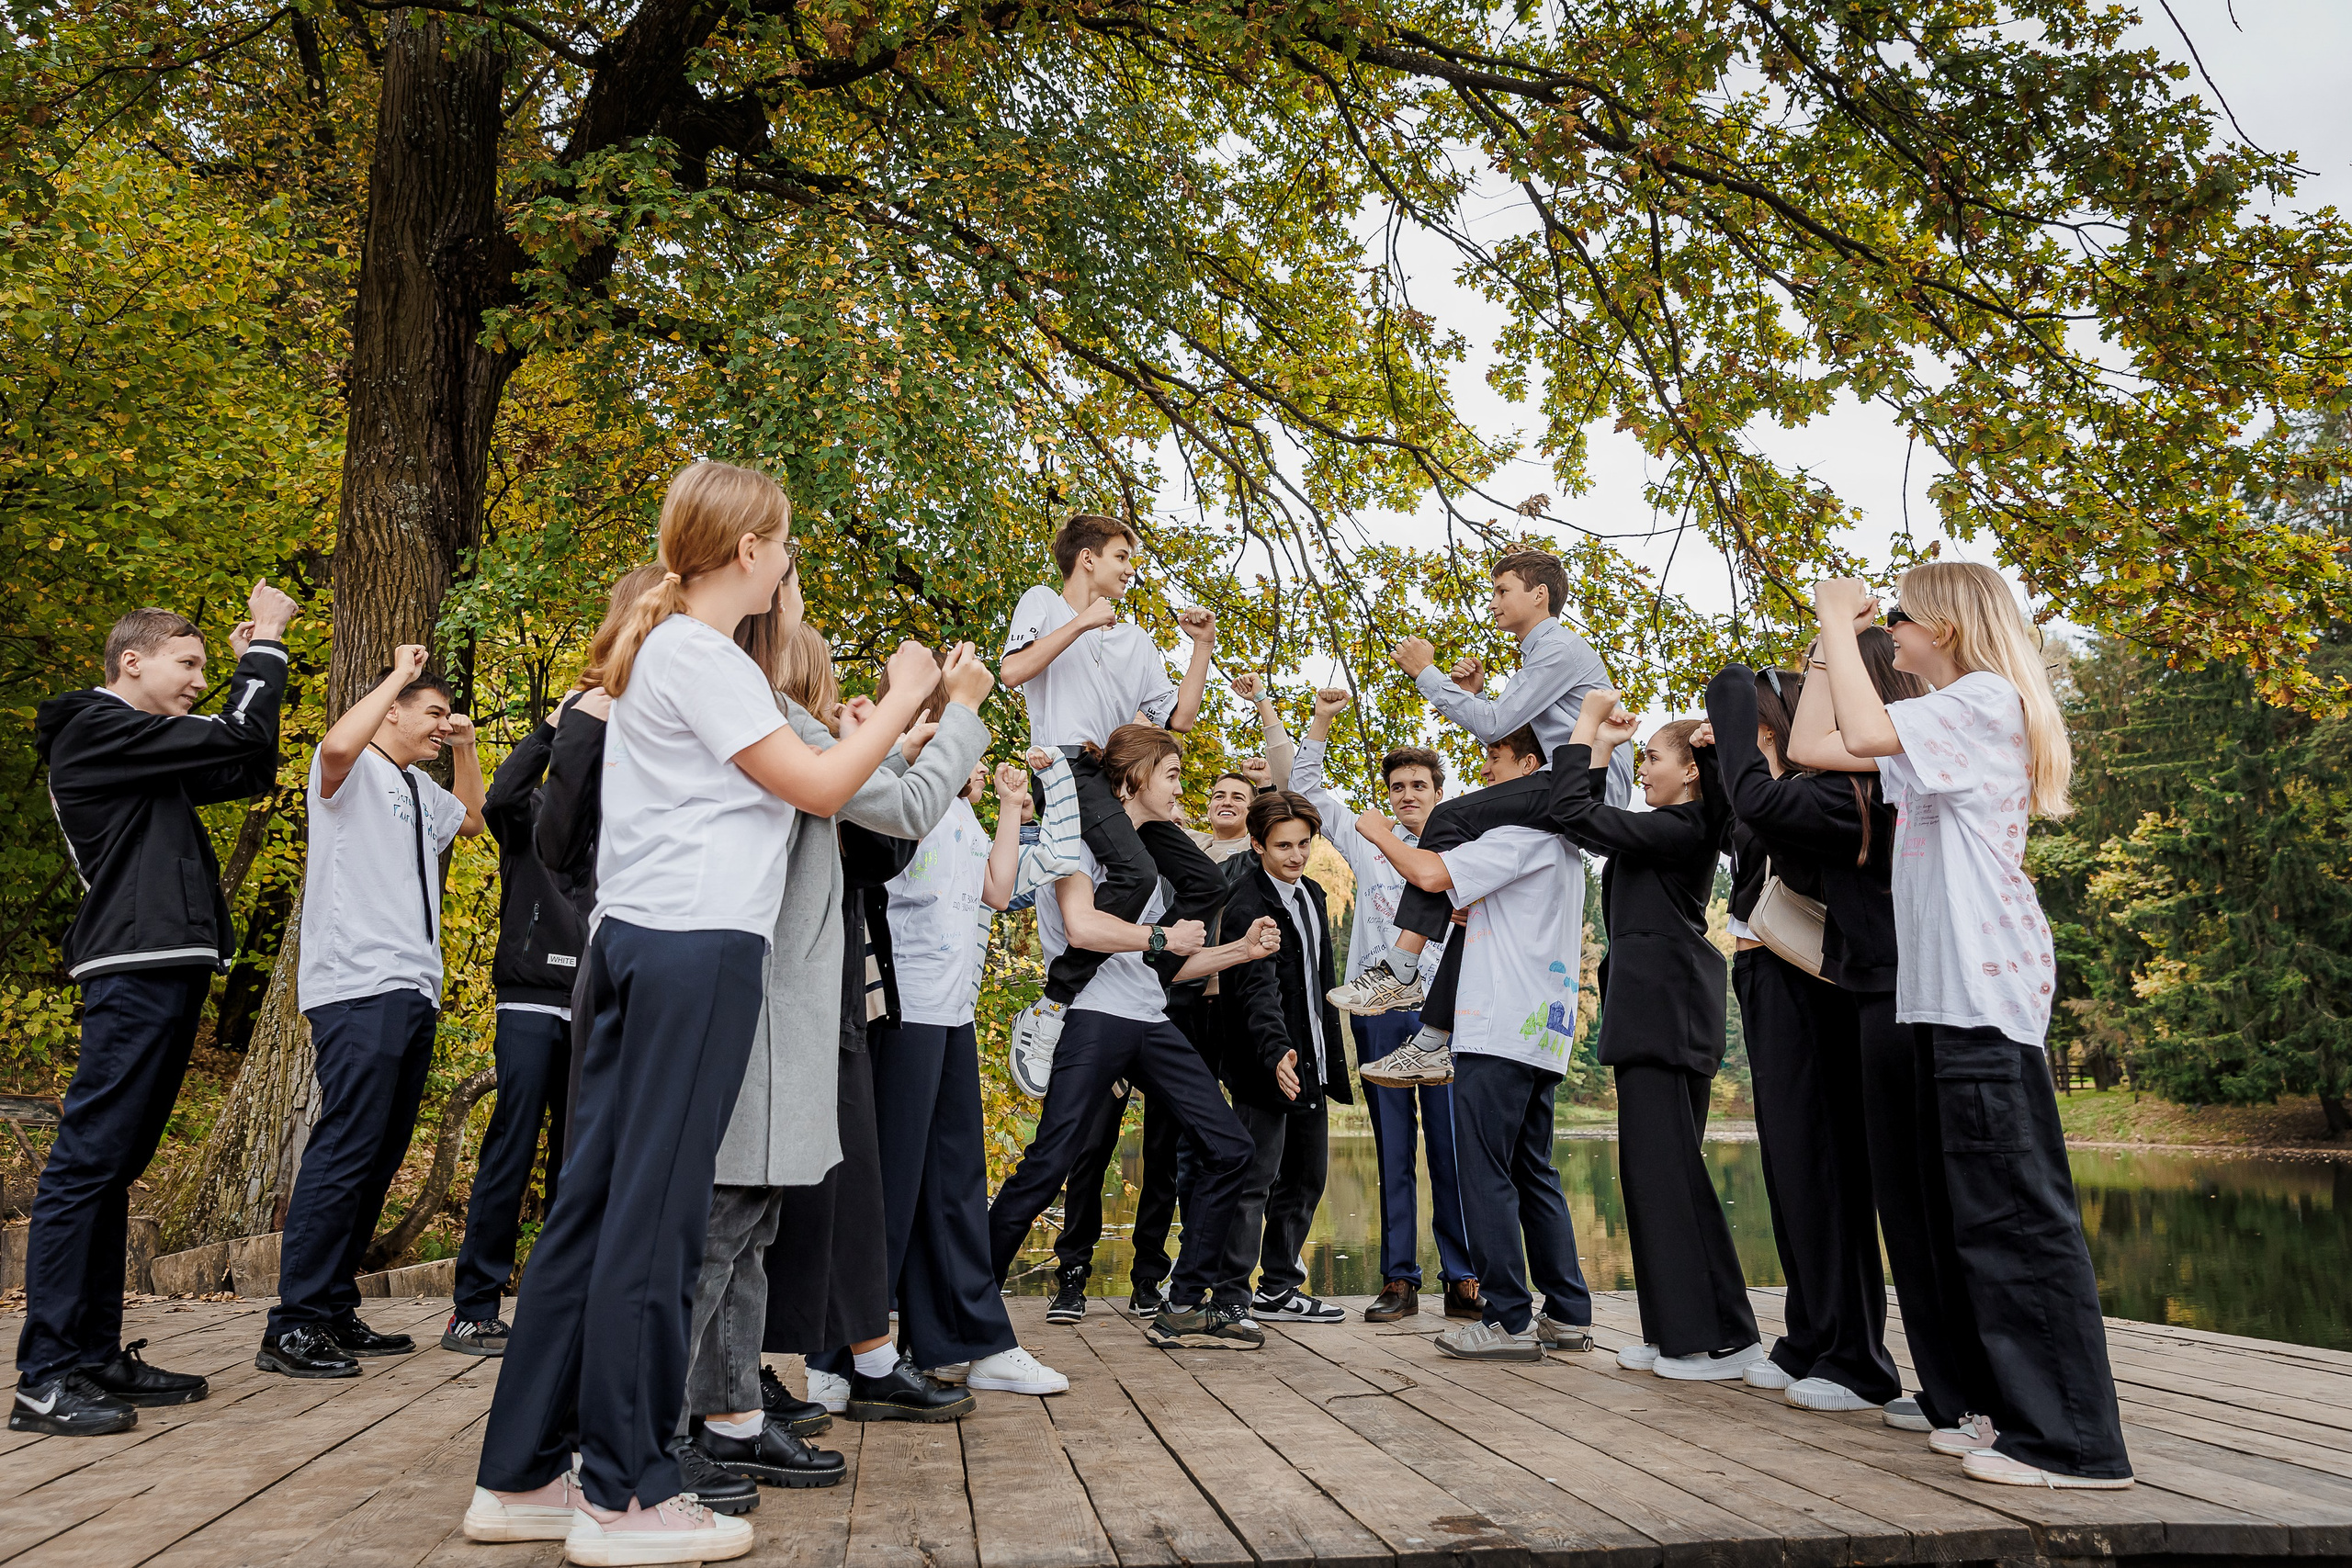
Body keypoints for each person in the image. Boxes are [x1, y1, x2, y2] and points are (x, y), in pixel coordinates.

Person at [467, 460, 944, 1564]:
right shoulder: (701, 653)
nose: (787, 562)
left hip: (638, 946)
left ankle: (524, 1475)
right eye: (784, 542)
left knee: (594, 1212)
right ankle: (627, 1496)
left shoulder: (665, 652)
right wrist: (909, 695)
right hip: (694, 953)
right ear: (747, 551)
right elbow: (820, 788)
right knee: (658, 1222)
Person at [1793, 566, 2132, 1491]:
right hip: (1946, 1002)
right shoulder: (1943, 717)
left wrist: (1835, 615)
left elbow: (1863, 729)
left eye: (1900, 617)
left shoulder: (1983, 701)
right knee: (1976, 1220)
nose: (1890, 631)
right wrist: (1826, 650)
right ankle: (2010, 1416)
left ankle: (2075, 1445)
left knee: (2017, 1220)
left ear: (1943, 626)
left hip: (1986, 996)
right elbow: (1817, 744)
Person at [13, 582, 298, 1437]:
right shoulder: (94, 727)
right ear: (130, 661)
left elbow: (248, 762)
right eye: (190, 663)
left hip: (167, 965)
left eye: (209, 667)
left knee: (112, 1167)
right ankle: (46, 1375)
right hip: (130, 966)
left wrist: (251, 668)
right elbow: (238, 732)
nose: (201, 679)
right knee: (85, 1166)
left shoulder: (142, 748)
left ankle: (95, 1353)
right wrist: (266, 643)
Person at [986, 724, 1282, 1352]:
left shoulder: (1145, 860)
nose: (1179, 788)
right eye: (1171, 775)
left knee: (1230, 1147)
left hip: (1147, 1017)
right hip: (1092, 1018)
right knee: (1050, 1163)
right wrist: (1161, 936)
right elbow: (1082, 928)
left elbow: (1163, 967)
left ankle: (1185, 1303)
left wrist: (1239, 950)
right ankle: (963, 1300)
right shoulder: (1079, 843)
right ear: (1134, 778)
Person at [259, 650, 487, 1379]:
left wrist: (466, 747)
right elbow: (332, 745)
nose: (441, 723)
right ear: (391, 710)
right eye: (432, 712)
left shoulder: (419, 787)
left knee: (380, 1153)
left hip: (414, 985)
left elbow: (473, 820)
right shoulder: (351, 770)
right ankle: (293, 1323)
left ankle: (331, 1306)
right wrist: (396, 676)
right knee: (347, 1147)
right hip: (358, 982)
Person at [1327, 549, 1631, 1089]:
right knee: (1471, 912)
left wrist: (1426, 673)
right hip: (1563, 779)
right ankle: (1432, 1039)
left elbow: (1496, 727)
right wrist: (1477, 696)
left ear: (1539, 594)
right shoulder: (1541, 654)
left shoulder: (1558, 646)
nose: (1492, 602)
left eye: (1502, 590)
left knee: (1447, 816)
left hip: (1586, 782)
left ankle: (1400, 968)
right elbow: (1513, 731)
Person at [1702, 662, 1905, 1416]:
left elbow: (1768, 827)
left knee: (1825, 1164)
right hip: (1765, 977)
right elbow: (1733, 824)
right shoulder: (1769, 795)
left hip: (1809, 982)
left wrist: (1733, 736)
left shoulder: (1817, 795)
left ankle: (1857, 1356)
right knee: (1790, 1164)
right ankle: (1811, 1334)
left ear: (1762, 726)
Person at [1355, 728, 1592, 1360]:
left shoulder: (1518, 836)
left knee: (1483, 1173)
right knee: (1533, 1170)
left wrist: (1379, 832)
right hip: (1542, 1032)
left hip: (1497, 1027)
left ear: (1531, 767)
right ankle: (1567, 1312)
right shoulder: (1565, 845)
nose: (1485, 773)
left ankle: (1508, 1318)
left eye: (1495, 758)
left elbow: (1428, 872)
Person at [1548, 690, 1761, 1381]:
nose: (1642, 770)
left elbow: (1573, 812)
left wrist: (1588, 730)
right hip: (1653, 1016)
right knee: (1654, 1172)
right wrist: (1604, 749)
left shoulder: (1683, 826)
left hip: (1668, 1015)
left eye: (1651, 759)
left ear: (1691, 770)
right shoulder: (1667, 827)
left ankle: (1712, 1340)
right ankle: (1682, 1329)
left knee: (1665, 1171)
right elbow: (1585, 824)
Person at [998, 514, 1224, 1093]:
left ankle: (1141, 981)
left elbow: (1178, 719)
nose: (1130, 569)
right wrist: (1081, 623)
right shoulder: (1044, 603)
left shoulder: (1135, 640)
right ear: (1088, 558)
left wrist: (1201, 646)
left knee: (1207, 883)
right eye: (1122, 557)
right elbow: (1012, 671)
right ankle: (1052, 1006)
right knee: (1136, 873)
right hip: (1068, 767)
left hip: (1122, 776)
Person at [1283, 686, 1478, 1323]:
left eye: (1419, 785)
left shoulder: (1463, 847)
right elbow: (1306, 791)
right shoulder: (1369, 839)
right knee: (1394, 1148)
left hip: (1447, 1010)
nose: (1407, 794)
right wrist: (1322, 718)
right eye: (1397, 787)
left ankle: (1463, 1277)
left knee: (1451, 1149)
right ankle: (1399, 1280)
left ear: (1438, 791)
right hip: (1379, 1010)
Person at [445, 689, 594, 1357]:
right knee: (512, 1148)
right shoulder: (526, 811)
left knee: (577, 1159)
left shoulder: (619, 824)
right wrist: (554, 724)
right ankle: (473, 1310)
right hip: (530, 1000)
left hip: (592, 1005)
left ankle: (557, 1308)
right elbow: (497, 797)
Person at [1207, 791, 1351, 1325]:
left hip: (1311, 1060)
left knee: (1306, 1178)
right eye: (1283, 846)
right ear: (1257, 845)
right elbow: (1255, 989)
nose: (1296, 855)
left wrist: (1321, 1055)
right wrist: (1275, 1054)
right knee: (1252, 1183)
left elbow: (1317, 982)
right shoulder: (1247, 902)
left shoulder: (1312, 893)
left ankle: (1278, 1288)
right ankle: (1229, 1296)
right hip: (1264, 1064)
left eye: (1303, 844)